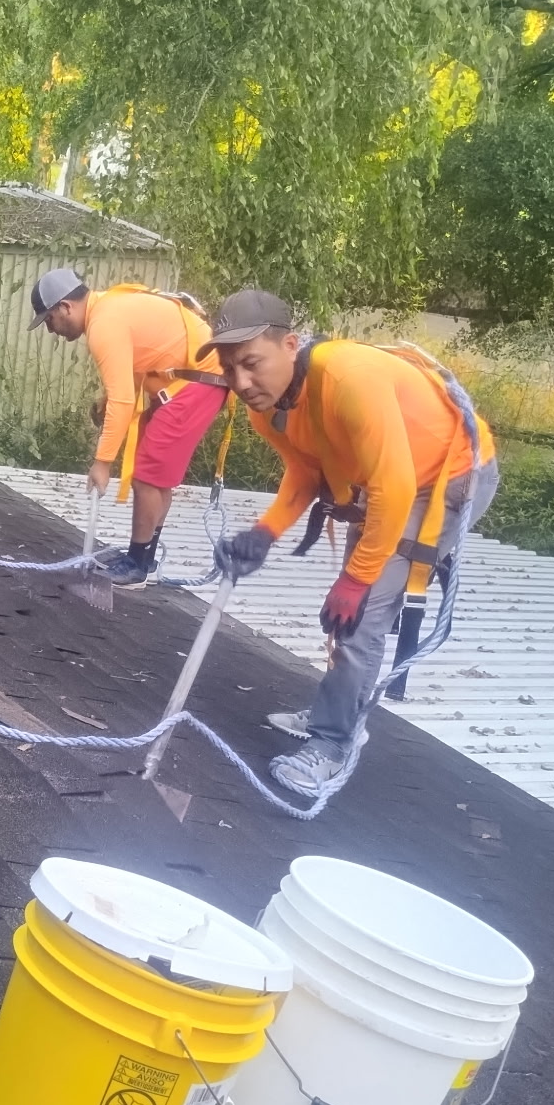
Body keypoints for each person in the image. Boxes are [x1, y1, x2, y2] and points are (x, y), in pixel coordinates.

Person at [202, 289, 499, 796]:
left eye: (251, 364)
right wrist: (264, 533)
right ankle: (334, 710)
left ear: (290, 344)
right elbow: (305, 471)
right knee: (350, 608)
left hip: (447, 478)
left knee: (360, 613)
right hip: (388, 481)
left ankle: (334, 743)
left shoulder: (347, 379)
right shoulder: (268, 405)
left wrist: (356, 579)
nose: (241, 382)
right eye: (230, 370)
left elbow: (398, 488)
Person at [29, 268, 229, 585]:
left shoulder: (103, 324)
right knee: (155, 475)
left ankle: (137, 565)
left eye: (49, 319)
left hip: (199, 383)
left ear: (65, 307)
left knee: (148, 475)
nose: (51, 329)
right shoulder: (109, 307)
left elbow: (125, 401)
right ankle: (143, 559)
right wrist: (109, 400)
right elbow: (136, 369)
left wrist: (102, 463)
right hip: (196, 381)